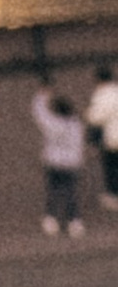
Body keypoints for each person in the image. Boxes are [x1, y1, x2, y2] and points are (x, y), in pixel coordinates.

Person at [37, 85, 88, 238]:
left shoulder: (51, 124)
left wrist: (42, 95)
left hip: (53, 162)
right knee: (71, 192)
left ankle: (51, 220)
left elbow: (39, 113)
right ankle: (75, 223)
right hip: (72, 163)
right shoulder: (77, 126)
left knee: (53, 190)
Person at [86, 60, 118, 209]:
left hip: (112, 138)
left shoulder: (101, 95)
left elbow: (95, 119)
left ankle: (113, 195)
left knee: (111, 167)